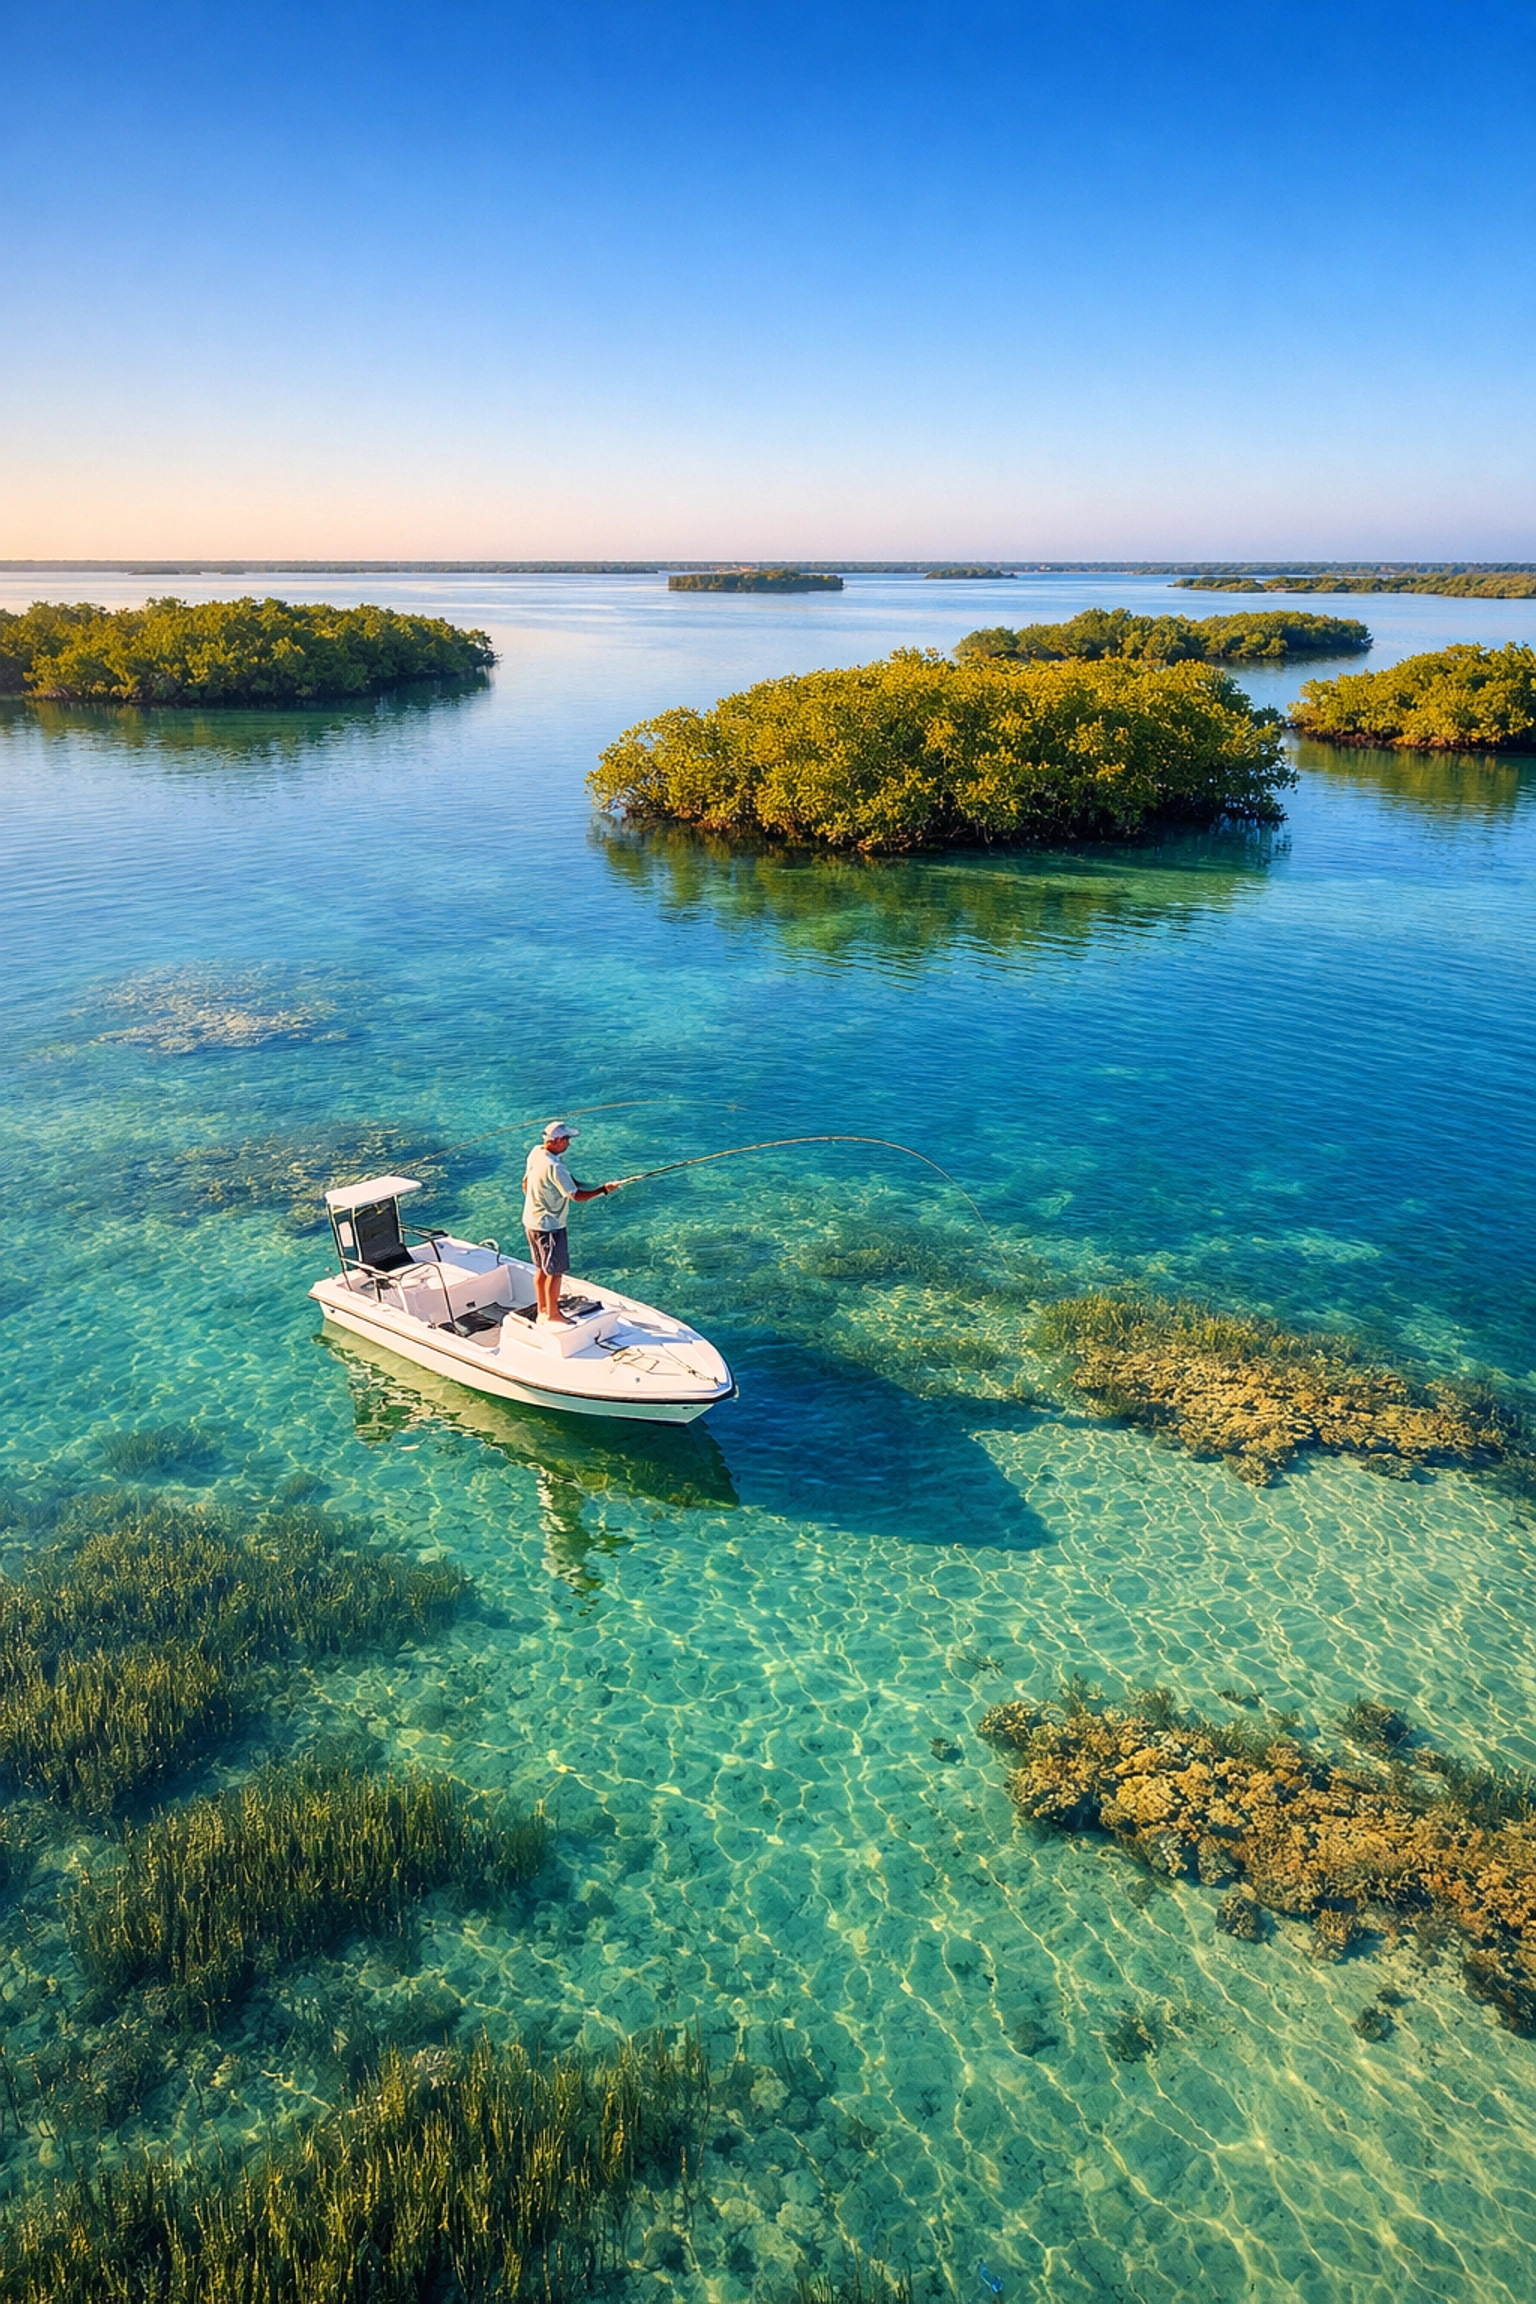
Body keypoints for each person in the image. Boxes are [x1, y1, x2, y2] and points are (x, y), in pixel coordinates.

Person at [521, 1122, 617, 1324]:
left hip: (531, 1221)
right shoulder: (555, 1167)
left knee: (540, 1270)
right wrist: (603, 1190)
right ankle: (554, 1315)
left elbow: (525, 1183)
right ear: (556, 1140)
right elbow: (576, 1196)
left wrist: (538, 1200)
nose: (568, 1144)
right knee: (555, 1273)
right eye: (566, 1140)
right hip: (550, 1228)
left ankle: (543, 1308)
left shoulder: (536, 1152)